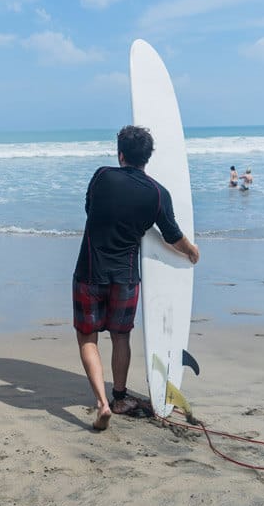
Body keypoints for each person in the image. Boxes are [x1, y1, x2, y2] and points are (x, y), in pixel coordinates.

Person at [73, 126, 200, 431]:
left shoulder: (102, 176)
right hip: (126, 277)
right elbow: (172, 236)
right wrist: (191, 252)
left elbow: (90, 209)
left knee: (87, 337)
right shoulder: (157, 193)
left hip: (90, 271)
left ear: (120, 154)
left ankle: (102, 404)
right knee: (120, 336)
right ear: (148, 157)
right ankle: (119, 397)